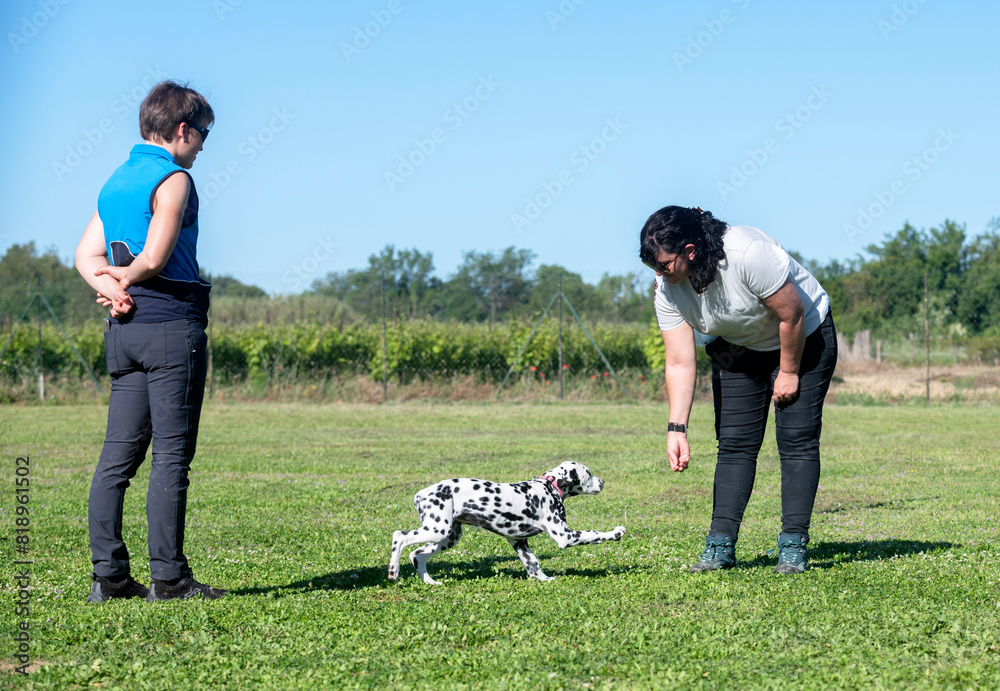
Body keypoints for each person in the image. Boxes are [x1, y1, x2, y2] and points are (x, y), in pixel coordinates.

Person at [75, 80, 226, 601]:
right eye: (203, 134)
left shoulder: (115, 182)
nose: (204, 145)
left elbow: (85, 257)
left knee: (116, 458)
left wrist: (111, 287)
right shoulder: (174, 179)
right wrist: (128, 280)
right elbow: (157, 256)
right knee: (170, 459)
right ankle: (170, 578)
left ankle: (108, 578)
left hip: (124, 329)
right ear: (182, 130)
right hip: (168, 325)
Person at [639, 205, 838, 574]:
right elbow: (680, 361)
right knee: (734, 443)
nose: (659, 274)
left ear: (690, 251)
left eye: (664, 264)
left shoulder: (746, 253)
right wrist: (676, 428)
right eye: (653, 267)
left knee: (796, 438)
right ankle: (720, 547)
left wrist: (790, 372)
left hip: (802, 337)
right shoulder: (667, 290)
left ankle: (793, 545)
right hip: (738, 345)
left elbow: (791, 313)